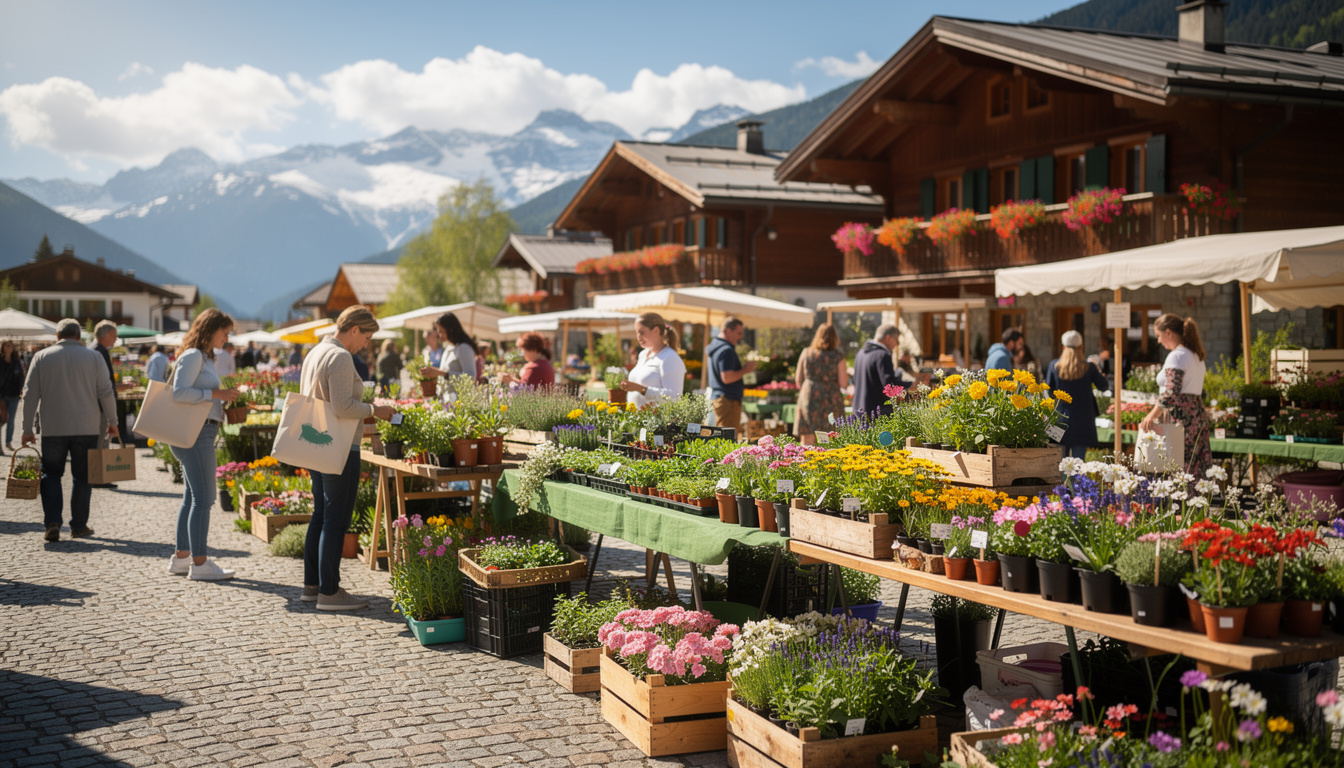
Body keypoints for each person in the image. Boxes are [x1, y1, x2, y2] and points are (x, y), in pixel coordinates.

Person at [299, 305, 394, 611]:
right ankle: (330, 591)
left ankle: (312, 586)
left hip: (315, 441)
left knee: (321, 515)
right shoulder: (340, 356)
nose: (365, 344)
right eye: (366, 337)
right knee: (335, 518)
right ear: (354, 329)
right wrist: (374, 410)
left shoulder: (316, 352)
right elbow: (342, 406)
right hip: (338, 444)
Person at [20, 318, 118, 542]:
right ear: (79, 336)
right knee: (83, 477)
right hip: (87, 427)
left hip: (53, 427)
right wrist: (113, 421)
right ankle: (79, 526)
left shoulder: (41, 357)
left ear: (57, 336)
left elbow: (29, 395)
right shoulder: (93, 357)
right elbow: (106, 391)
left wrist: (27, 429)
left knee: (51, 474)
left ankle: (53, 522)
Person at [165, 309, 241, 581]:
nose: (227, 337)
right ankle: (200, 563)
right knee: (205, 498)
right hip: (196, 434)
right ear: (210, 330)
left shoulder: (202, 357)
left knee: (191, 497)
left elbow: (194, 393)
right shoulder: (194, 355)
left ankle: (182, 559)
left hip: (199, 432)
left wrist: (222, 399)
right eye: (225, 332)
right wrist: (216, 394)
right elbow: (179, 392)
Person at [1140, 314, 1213, 477]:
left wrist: (1151, 415)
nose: (1158, 341)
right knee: (1194, 470)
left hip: (1180, 419)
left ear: (1168, 333)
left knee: (1178, 469)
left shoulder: (1177, 356)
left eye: (1158, 336)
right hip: (1196, 416)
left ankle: (1180, 502)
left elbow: (1171, 393)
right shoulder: (1194, 355)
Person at [1045, 331, 1110, 460]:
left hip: (1060, 419)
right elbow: (1104, 386)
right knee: (1078, 463)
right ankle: (1076, 481)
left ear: (1063, 347)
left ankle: (1062, 481)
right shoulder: (1089, 367)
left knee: (1059, 463)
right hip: (1083, 421)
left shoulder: (1054, 366)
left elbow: (1049, 390)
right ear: (1081, 346)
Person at [794, 324, 848, 445]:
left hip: (809, 395)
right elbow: (844, 383)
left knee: (807, 437)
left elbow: (798, 380)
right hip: (830, 397)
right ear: (835, 338)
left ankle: (805, 462)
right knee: (830, 438)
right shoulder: (838, 357)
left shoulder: (806, 353)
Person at [619, 313, 686, 407]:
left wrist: (642, 389)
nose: (638, 336)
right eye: (636, 332)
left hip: (658, 421)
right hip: (636, 419)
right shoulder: (643, 354)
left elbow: (674, 398)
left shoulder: (670, 358)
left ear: (656, 331)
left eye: (641, 332)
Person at [705, 317, 756, 430]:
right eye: (739, 333)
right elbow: (727, 378)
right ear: (728, 331)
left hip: (722, 398)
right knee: (727, 439)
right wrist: (746, 369)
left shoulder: (716, 346)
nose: (741, 336)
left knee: (724, 436)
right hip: (728, 400)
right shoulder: (726, 350)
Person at [418, 313, 477, 398]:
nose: (439, 334)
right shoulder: (449, 348)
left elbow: (470, 377)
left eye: (441, 331)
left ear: (450, 330)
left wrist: (443, 374)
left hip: (459, 402)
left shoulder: (464, 348)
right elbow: (445, 374)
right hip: (447, 401)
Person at [852, 323, 904, 417]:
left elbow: (855, 380)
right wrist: (908, 385)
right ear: (888, 338)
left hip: (858, 408)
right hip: (876, 412)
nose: (897, 344)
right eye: (896, 340)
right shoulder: (882, 355)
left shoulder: (861, 353)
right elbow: (888, 385)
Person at [1, 340, 25, 453]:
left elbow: (21, 377)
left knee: (11, 419)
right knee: (2, 419)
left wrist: (21, 389)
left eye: (10, 346)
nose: (8, 348)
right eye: (6, 345)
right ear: (2, 348)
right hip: (1, 394)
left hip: (14, 395)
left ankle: (8, 441)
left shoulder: (17, 362)